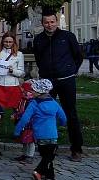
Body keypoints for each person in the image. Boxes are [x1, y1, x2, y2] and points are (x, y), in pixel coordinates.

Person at [33, 9, 84, 161]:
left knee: (71, 114)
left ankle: (76, 148)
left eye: (52, 22)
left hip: (66, 80)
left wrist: (71, 70)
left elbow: (78, 56)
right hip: (48, 82)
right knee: (45, 113)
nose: (50, 25)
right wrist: (44, 71)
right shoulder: (39, 39)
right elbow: (38, 58)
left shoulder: (67, 36)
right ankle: (48, 146)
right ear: (43, 24)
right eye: (46, 22)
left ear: (56, 22)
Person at [13, 78, 67, 180]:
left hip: (39, 135)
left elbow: (25, 118)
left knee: (46, 155)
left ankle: (47, 173)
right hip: (52, 134)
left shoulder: (34, 104)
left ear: (38, 92)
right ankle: (39, 171)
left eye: (33, 90)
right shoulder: (54, 103)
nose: (32, 92)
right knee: (49, 155)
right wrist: (62, 123)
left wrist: (17, 130)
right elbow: (63, 117)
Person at [0, 32, 25, 110]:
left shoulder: (19, 54)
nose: (8, 44)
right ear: (2, 42)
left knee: (15, 110)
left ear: (13, 42)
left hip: (13, 85)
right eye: (6, 42)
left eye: (10, 42)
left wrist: (12, 71)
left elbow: (21, 72)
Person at [13, 81, 36, 163]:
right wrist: (15, 113)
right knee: (24, 139)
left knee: (30, 141)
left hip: (30, 124)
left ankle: (30, 155)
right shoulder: (22, 100)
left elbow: (26, 113)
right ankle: (25, 154)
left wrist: (18, 115)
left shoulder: (32, 102)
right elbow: (18, 109)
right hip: (22, 123)